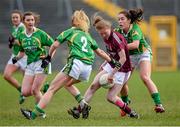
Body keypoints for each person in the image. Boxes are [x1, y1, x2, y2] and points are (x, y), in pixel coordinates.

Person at [20, 10, 120, 120]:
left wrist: (48, 57)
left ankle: (33, 115)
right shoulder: (87, 35)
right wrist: (112, 61)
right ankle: (83, 104)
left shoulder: (70, 31)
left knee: (52, 89)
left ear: (73, 21)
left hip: (76, 63)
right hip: (87, 68)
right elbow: (100, 51)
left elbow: (55, 44)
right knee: (67, 84)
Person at [68, 13, 139, 119]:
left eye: (104, 33)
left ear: (109, 27)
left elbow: (123, 58)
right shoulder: (106, 36)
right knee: (93, 86)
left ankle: (131, 112)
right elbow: (112, 53)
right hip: (113, 65)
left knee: (110, 97)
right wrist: (105, 62)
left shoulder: (116, 38)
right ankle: (79, 110)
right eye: (101, 34)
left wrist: (111, 74)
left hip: (123, 69)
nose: (103, 35)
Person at [115, 8, 165, 115]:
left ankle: (159, 104)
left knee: (145, 77)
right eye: (118, 19)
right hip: (130, 57)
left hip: (143, 53)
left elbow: (135, 45)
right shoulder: (117, 31)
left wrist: (120, 48)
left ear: (129, 20)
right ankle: (125, 104)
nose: (120, 21)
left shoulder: (135, 29)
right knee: (122, 82)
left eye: (122, 19)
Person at [12, 11, 54, 108]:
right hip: (30, 64)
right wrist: (16, 58)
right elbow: (22, 51)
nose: (31, 22)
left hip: (42, 62)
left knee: (35, 90)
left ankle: (39, 112)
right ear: (23, 22)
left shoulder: (40, 33)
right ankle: (44, 88)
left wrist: (49, 57)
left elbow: (54, 45)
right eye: (28, 20)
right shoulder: (21, 36)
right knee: (25, 92)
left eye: (32, 20)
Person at [3, 10, 26, 104]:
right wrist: (11, 43)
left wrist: (13, 41)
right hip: (16, 56)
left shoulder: (22, 27)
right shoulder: (14, 27)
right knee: (6, 75)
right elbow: (14, 41)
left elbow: (22, 42)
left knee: (29, 84)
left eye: (17, 17)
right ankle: (21, 91)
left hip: (24, 56)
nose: (15, 19)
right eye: (13, 17)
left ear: (20, 18)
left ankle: (45, 87)